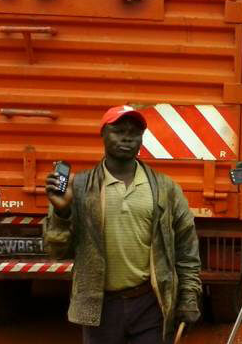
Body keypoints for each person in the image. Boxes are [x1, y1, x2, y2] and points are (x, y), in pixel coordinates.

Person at [43, 105, 202, 344]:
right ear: (103, 134)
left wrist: (188, 298)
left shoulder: (165, 189)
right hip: (100, 306)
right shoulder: (79, 187)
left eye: (134, 132)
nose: (127, 137)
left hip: (150, 304)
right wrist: (62, 211)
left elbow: (186, 249)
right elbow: (55, 251)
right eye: (118, 130)